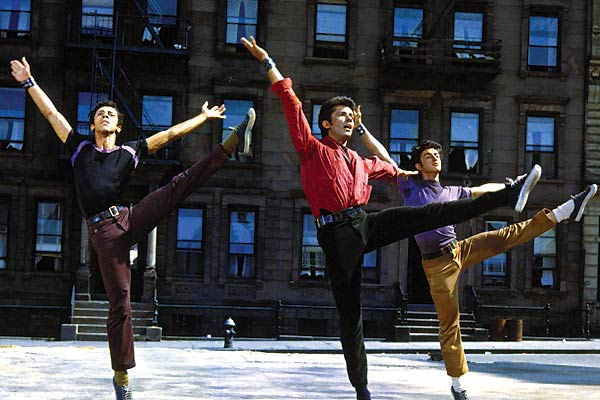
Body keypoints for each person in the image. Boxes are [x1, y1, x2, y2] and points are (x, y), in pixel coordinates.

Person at [241, 36, 541, 400]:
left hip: (364, 223)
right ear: (325, 123)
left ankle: (510, 194)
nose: (349, 120)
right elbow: (290, 103)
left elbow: (392, 167)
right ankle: (362, 389)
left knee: (429, 213)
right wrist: (268, 60)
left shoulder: (361, 162)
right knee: (350, 315)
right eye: (342, 116)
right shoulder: (312, 150)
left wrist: (407, 166)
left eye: (352, 117)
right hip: (336, 236)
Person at [10, 56, 256, 400]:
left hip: (127, 216)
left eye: (111, 114)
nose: (105, 116)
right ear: (93, 124)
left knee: (175, 187)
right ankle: (122, 376)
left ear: (119, 126)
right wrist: (28, 81)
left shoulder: (130, 151)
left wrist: (202, 118)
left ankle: (228, 146)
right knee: (121, 303)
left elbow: (169, 135)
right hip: (104, 235)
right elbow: (52, 114)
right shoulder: (79, 147)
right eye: (99, 114)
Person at [390, 140, 597, 400]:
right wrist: (362, 131)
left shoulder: (452, 191)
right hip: (436, 266)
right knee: (449, 323)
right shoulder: (410, 186)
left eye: (437, 155)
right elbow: (382, 156)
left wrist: (510, 188)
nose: (435, 158)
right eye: (428, 156)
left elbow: (480, 190)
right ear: (418, 165)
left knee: (506, 235)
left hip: (457, 249)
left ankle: (565, 210)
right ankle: (457, 384)